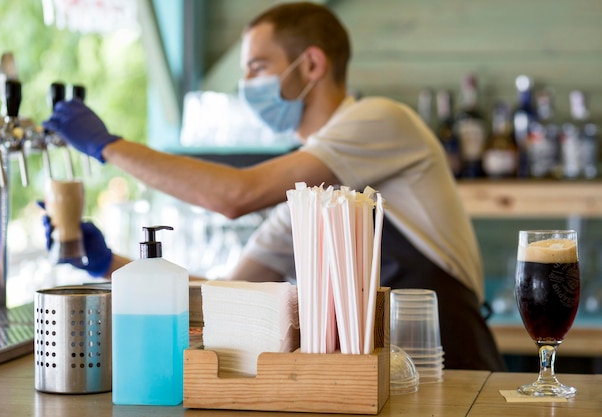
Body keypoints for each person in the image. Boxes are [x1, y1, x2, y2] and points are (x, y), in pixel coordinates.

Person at [42, 2, 505, 371]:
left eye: (257, 67)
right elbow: (227, 296)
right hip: (372, 378)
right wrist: (110, 265)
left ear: (312, 64)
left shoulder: (380, 119)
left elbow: (235, 196)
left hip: (448, 360)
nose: (246, 85)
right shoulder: (307, 195)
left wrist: (108, 146)